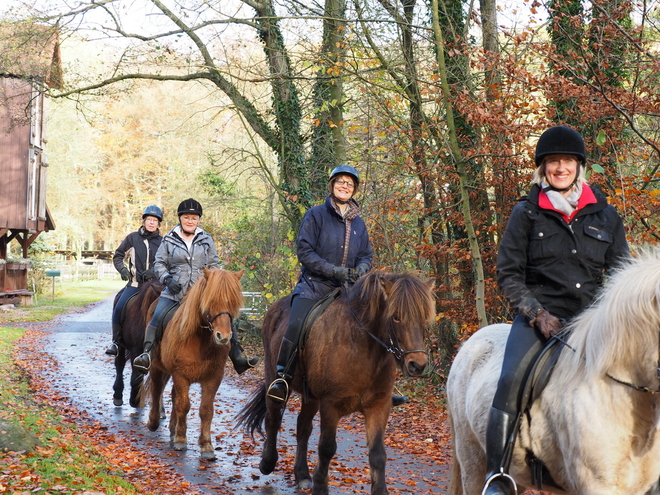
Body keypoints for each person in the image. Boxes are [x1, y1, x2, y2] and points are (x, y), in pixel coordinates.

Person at [483, 125, 630, 495]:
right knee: (509, 381)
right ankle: (497, 474)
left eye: (566, 160)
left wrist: (608, 318)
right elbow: (509, 273)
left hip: (594, 321)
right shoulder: (526, 213)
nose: (559, 167)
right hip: (541, 319)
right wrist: (536, 313)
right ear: (542, 168)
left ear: (579, 166)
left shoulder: (606, 215)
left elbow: (621, 276)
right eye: (552, 162)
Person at [266, 165, 408, 407]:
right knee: (296, 324)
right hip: (314, 286)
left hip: (348, 290)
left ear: (354, 190)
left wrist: (362, 268)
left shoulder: (359, 224)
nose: (345, 186)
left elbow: (366, 254)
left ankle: (380, 387)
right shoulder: (315, 215)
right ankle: (282, 378)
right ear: (332, 185)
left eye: (350, 184)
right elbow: (305, 251)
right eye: (341, 182)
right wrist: (333, 270)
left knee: (379, 324)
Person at [132, 198, 258, 374]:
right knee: (157, 316)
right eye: (187, 218)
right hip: (174, 292)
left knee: (225, 316)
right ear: (180, 219)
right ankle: (147, 354)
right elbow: (159, 263)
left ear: (198, 220)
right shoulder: (169, 239)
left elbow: (214, 264)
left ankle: (237, 356)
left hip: (201, 294)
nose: (190, 221)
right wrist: (168, 279)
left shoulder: (206, 239)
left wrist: (214, 283)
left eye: (194, 218)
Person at [105, 205, 163, 356]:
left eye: (155, 220)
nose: (151, 223)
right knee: (119, 306)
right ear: (144, 221)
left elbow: (168, 262)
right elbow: (118, 255)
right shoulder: (132, 238)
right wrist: (123, 269)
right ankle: (116, 342)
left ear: (158, 224)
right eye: (149, 219)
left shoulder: (164, 242)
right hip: (135, 284)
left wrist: (155, 271)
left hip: (156, 287)